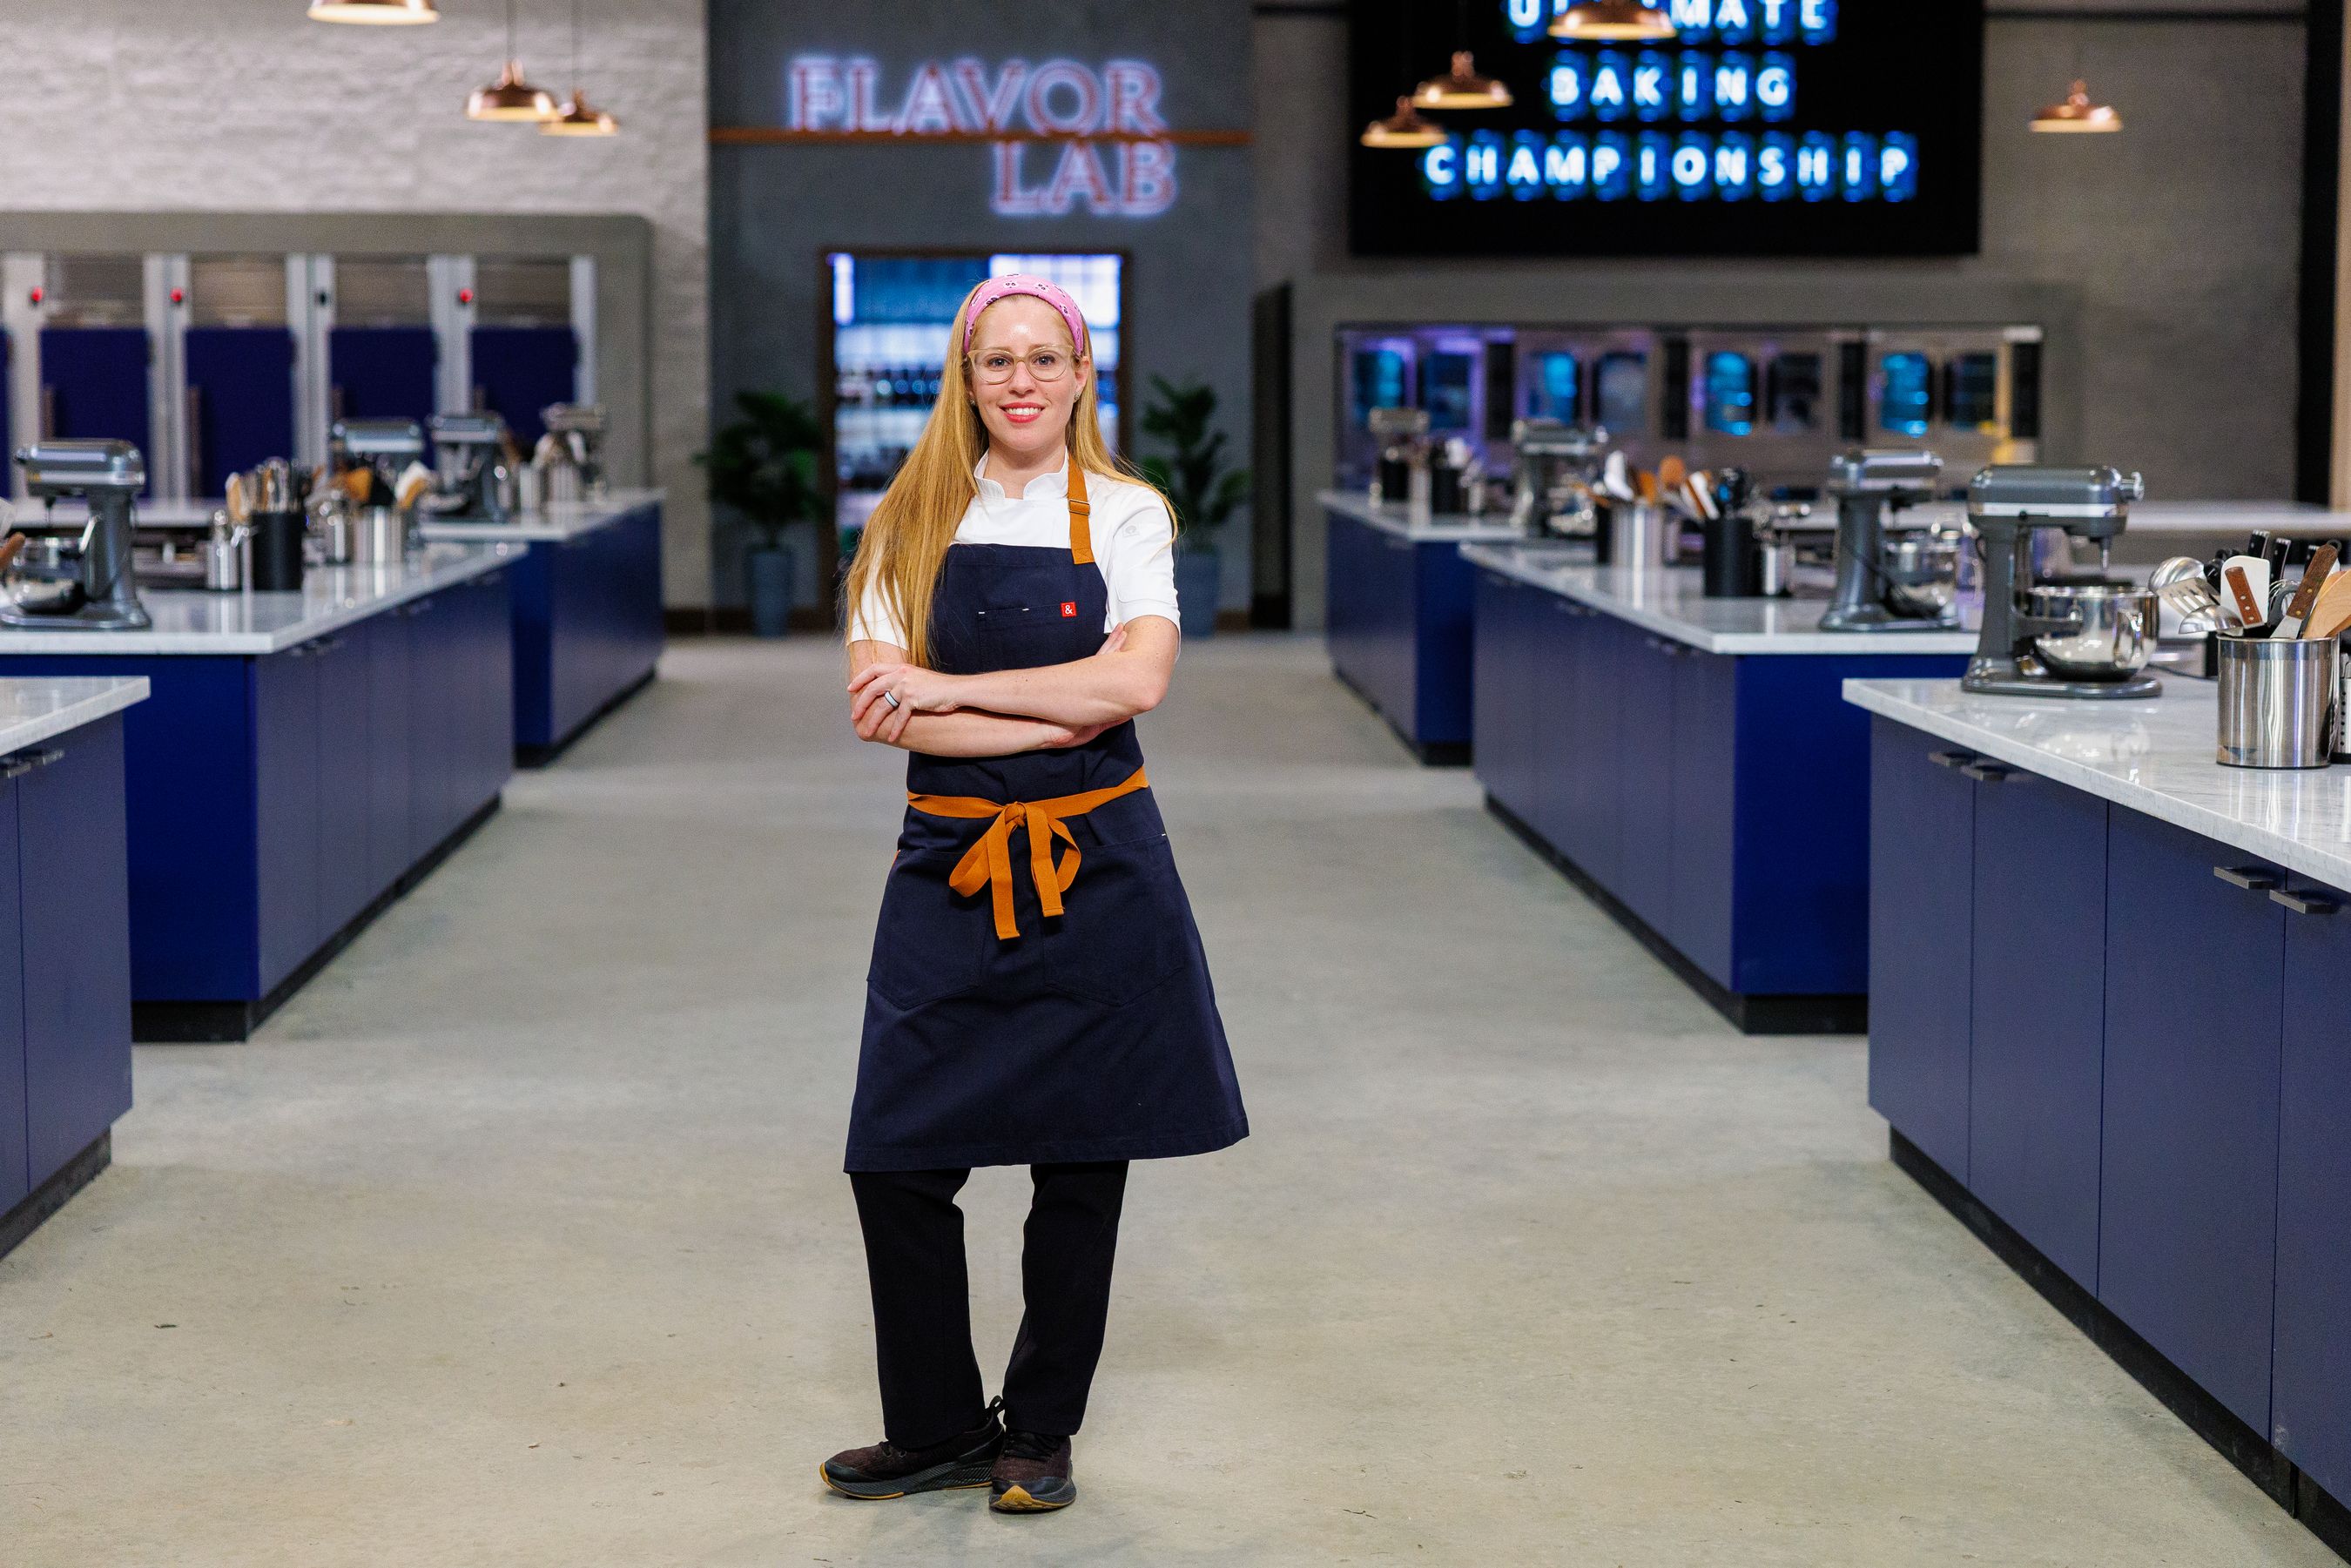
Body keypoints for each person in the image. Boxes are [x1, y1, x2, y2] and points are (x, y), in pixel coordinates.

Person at [824, 275, 1248, 1516]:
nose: (1019, 381)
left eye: (1041, 360)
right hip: (947, 869)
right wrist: (1059, 691)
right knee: (894, 1157)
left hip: (1098, 868)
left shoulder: (1127, 513)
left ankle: (1041, 1427)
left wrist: (947, 691)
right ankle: (942, 1423)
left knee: (1081, 1156)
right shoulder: (905, 519)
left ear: (1077, 376)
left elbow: (1142, 685)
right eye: (994, 361)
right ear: (966, 379)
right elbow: (875, 704)